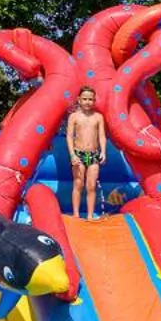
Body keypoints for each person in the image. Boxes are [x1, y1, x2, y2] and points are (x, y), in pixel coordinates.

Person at [66, 87, 107, 221]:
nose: (87, 102)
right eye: (85, 99)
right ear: (79, 100)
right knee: (78, 184)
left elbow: (102, 136)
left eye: (90, 99)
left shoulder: (98, 117)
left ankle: (90, 215)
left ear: (94, 101)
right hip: (79, 154)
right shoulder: (74, 116)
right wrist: (72, 154)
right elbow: (69, 136)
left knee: (91, 185)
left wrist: (103, 152)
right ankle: (76, 214)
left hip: (93, 154)